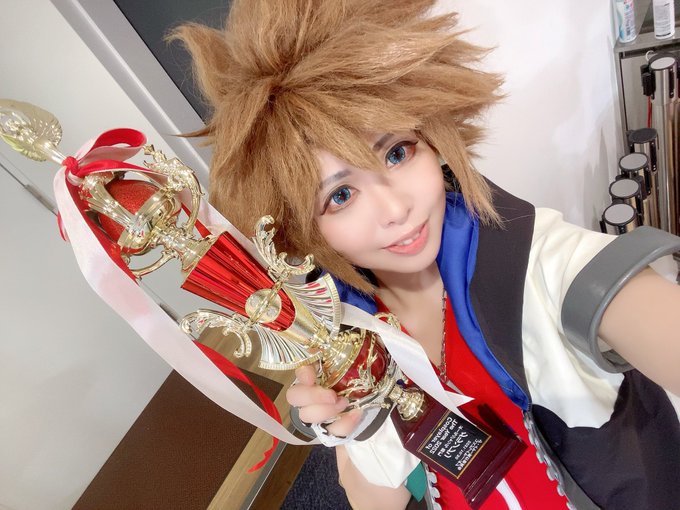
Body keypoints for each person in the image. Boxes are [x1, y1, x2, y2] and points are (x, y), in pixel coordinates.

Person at [173, 1, 680, 508]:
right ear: (301, 229)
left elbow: (617, 297)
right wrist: (360, 428)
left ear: (434, 137)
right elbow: (378, 504)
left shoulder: (536, 262)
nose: (397, 209)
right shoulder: (345, 324)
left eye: (397, 153)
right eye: (341, 195)